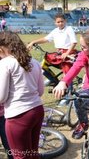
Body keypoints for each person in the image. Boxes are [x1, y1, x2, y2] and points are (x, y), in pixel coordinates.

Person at [0, 31, 44, 159]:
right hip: (37, 110)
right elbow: (40, 91)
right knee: (32, 152)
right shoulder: (34, 61)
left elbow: (1, 97)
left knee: (20, 156)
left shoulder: (5, 63)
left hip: (18, 115)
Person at [52, 28, 89, 140]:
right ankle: (83, 123)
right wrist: (63, 82)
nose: (81, 49)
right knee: (78, 100)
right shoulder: (84, 55)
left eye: (83, 47)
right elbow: (75, 68)